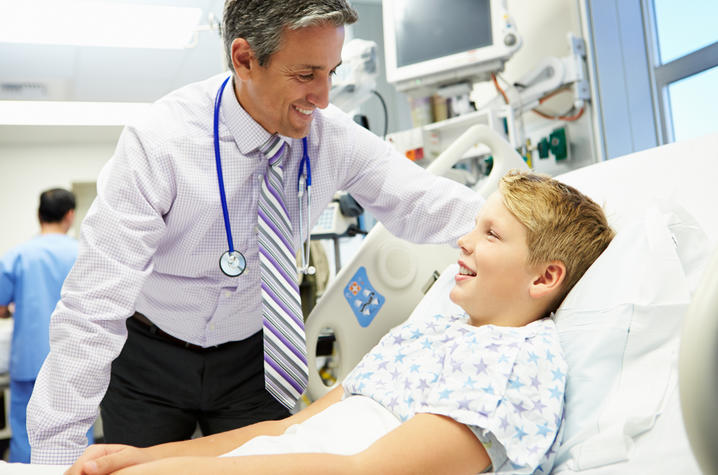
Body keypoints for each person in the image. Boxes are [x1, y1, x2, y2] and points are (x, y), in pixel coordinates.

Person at [26, 0, 484, 464]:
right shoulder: (161, 143)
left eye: (332, 72)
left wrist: (535, 230)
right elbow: (93, 306)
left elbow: (427, 202)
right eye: (306, 75)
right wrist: (52, 458)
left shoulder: (331, 137)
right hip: (149, 359)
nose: (324, 97)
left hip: (255, 359)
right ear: (244, 59)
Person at [59, 170, 615, 474]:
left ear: (545, 278)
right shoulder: (428, 333)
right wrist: (145, 457)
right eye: (476, 226)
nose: (464, 241)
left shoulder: (513, 364)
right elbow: (285, 431)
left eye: (491, 234)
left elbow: (366, 472)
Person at [0, 188, 93, 462]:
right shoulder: (84, 252)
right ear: (70, 216)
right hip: (76, 361)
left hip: (28, 360)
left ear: (39, 215)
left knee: (26, 432)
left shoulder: (17, 256)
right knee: (77, 433)